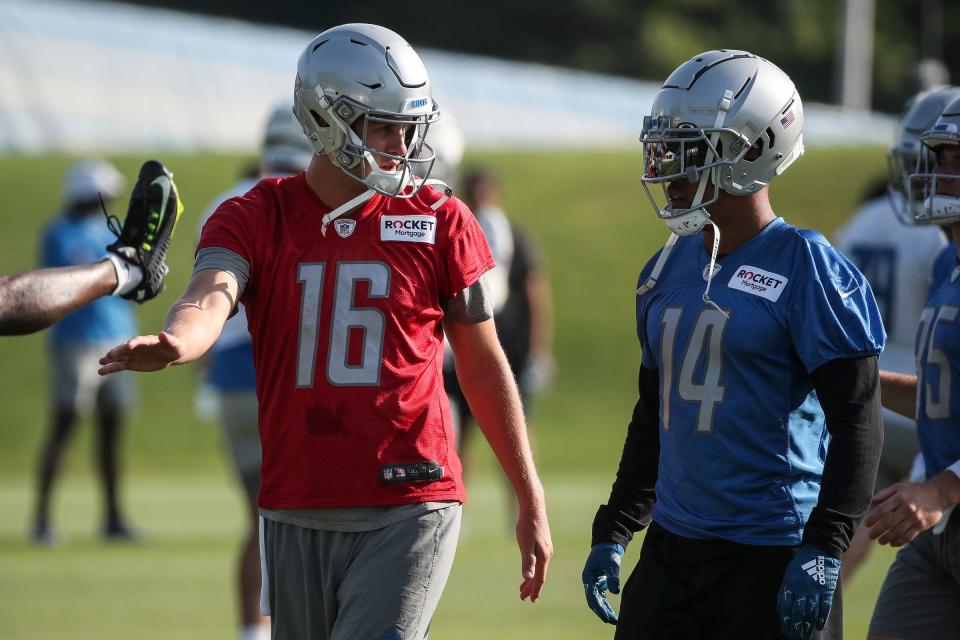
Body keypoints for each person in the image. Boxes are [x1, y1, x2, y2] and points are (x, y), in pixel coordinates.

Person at [98, 24, 552, 640]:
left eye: (408, 126)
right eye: (382, 126)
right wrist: (179, 340)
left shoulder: (440, 218)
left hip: (411, 497)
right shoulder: (255, 213)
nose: (401, 144)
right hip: (297, 501)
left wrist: (528, 493)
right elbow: (211, 294)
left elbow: (482, 364)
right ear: (325, 117)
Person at [581, 50, 885, 640]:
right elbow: (654, 415)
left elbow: (858, 417)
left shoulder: (808, 267)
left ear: (751, 149)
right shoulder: (664, 269)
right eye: (663, 147)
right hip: (674, 550)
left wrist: (827, 543)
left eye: (687, 150)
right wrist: (616, 527)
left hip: (772, 548)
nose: (665, 166)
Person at [196, 104, 313, 640]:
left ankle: (253, 632)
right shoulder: (309, 201)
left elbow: (205, 301)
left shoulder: (226, 201)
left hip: (230, 377)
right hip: (287, 377)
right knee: (309, 525)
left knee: (261, 521)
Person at [833, 86, 958, 580]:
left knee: (837, 541)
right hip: (916, 400)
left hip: (874, 402)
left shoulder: (862, 221)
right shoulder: (940, 244)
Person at [28, 158, 182, 544]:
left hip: (116, 338)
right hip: (75, 343)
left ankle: (113, 518)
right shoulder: (59, 232)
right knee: (64, 428)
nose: (111, 200)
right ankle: (42, 519)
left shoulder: (106, 231)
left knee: (111, 432)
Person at [866, 94, 960, 640]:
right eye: (939, 157)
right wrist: (855, 379)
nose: (939, 173)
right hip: (943, 533)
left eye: (955, 159)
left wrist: (938, 491)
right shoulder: (948, 259)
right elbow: (947, 394)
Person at [444, 168, 554, 476]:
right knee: (457, 432)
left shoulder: (515, 237)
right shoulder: (458, 234)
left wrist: (538, 351)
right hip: (467, 346)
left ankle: (522, 505)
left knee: (517, 431)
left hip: (509, 347)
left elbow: (535, 293)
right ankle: (459, 509)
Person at [0, 160, 182, 338]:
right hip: (78, 336)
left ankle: (127, 270)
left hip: (118, 331)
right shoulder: (60, 233)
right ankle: (126, 270)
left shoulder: (102, 228)